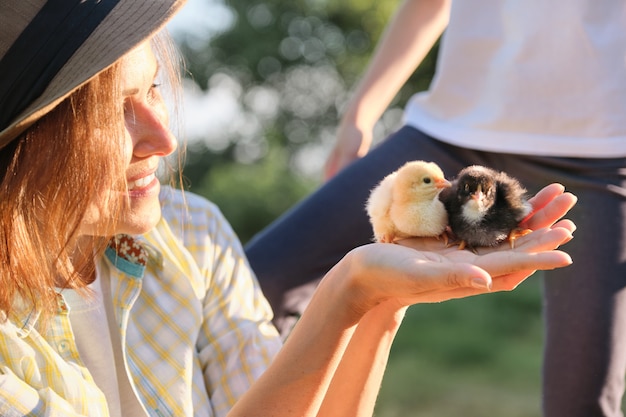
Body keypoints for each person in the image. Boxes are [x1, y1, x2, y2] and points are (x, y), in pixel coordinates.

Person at [0, 1, 576, 416]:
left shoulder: (194, 233)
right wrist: (339, 297)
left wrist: (376, 304)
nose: (163, 139)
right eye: (110, 114)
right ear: (20, 137)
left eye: (153, 90)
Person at [244, 0, 626, 416]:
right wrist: (360, 115)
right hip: (447, 131)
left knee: (582, 400)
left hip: (601, 147)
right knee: (254, 286)